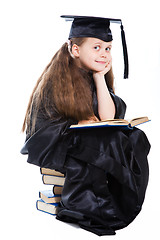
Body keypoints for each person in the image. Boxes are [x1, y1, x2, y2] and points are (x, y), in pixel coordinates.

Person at [21, 15, 150, 236]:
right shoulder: (57, 80)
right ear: (75, 50)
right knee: (106, 141)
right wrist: (76, 124)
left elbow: (108, 116)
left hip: (85, 139)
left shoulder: (93, 76)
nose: (104, 54)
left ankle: (122, 202)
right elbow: (46, 125)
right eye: (97, 47)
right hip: (55, 142)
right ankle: (91, 206)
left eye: (108, 48)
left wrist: (100, 77)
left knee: (136, 137)